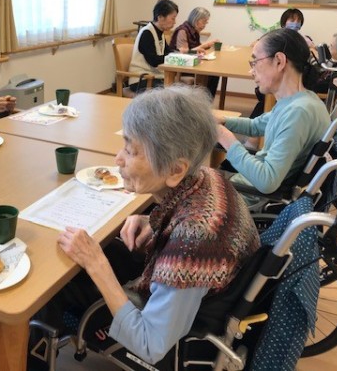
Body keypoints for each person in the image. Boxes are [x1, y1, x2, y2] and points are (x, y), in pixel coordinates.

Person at [30, 86, 260, 367]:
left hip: (165, 331)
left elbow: (151, 345)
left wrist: (96, 263)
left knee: (55, 283)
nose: (118, 159)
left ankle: (32, 358)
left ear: (175, 170)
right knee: (97, 249)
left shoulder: (193, 241)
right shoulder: (209, 177)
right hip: (198, 296)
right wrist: (153, 221)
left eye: (130, 150)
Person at [216, 28, 331, 195]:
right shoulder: (302, 101)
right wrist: (223, 121)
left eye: (255, 61)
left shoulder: (298, 112)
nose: (251, 71)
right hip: (247, 187)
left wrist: (226, 139)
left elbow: (267, 181)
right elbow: (256, 125)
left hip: (249, 197)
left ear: (279, 61)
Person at [126, 0, 179, 96]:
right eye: (173, 18)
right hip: (141, 79)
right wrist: (174, 56)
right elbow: (154, 61)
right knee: (172, 93)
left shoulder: (160, 33)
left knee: (179, 90)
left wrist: (178, 53)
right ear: (160, 17)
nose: (174, 22)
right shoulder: (147, 33)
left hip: (155, 76)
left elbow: (168, 52)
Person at [169, 6, 220, 96]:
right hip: (181, 66)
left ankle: (205, 100)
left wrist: (207, 46)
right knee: (212, 74)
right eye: (203, 22)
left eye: (206, 22)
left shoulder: (194, 31)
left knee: (214, 72)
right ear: (196, 20)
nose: (204, 25)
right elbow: (183, 53)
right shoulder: (182, 31)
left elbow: (195, 49)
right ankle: (204, 99)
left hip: (191, 63)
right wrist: (204, 45)